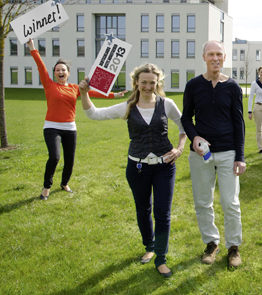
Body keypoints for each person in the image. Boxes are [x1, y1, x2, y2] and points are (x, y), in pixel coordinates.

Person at [79, 64, 186, 278]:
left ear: (158, 83)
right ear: (136, 82)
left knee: (162, 214)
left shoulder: (167, 104)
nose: (148, 86)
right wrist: (84, 93)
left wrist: (179, 148)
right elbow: (94, 114)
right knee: (143, 209)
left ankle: (161, 258)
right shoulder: (128, 106)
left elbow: (184, 126)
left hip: (164, 168)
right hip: (137, 168)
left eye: (152, 82)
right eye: (143, 82)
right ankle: (149, 245)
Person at [27, 38, 125, 201]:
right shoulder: (49, 85)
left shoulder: (74, 88)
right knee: (55, 157)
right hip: (52, 127)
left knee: (70, 159)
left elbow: (92, 92)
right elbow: (40, 65)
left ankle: (65, 183)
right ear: (54, 73)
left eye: (63, 70)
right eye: (58, 70)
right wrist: (32, 47)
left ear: (68, 73)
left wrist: (114, 94)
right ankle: (46, 187)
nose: (60, 72)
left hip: (70, 128)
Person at [181, 40, 246, 268]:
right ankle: (211, 243)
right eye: (211, 54)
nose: (215, 58)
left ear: (225, 58)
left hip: (228, 152)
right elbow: (185, 118)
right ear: (204, 57)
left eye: (219, 54)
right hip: (201, 155)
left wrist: (241, 157)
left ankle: (233, 247)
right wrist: (194, 137)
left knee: (231, 202)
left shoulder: (233, 87)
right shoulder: (193, 85)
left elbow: (239, 124)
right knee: (202, 202)